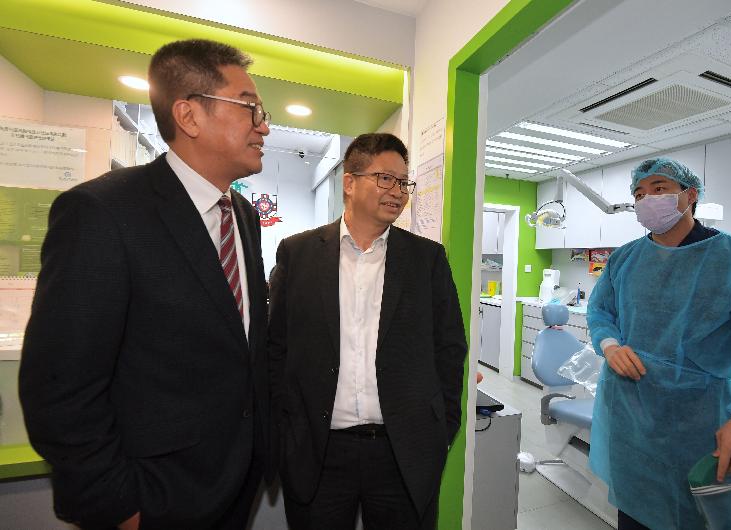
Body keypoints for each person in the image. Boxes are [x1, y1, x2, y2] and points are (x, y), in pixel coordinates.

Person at [19, 39, 275, 529]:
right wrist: (119, 506)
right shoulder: (103, 213)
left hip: (235, 482)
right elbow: (59, 386)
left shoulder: (241, 214)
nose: (263, 125)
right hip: (155, 496)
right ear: (189, 115)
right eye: (249, 107)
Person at [587, 157, 731, 530]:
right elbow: (600, 310)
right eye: (639, 193)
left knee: (703, 518)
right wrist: (610, 345)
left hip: (698, 424)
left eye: (659, 189)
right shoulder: (625, 258)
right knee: (635, 515)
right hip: (629, 421)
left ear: (690, 195)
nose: (646, 199)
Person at [267, 133, 467, 530]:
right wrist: (282, 433)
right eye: (385, 178)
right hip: (319, 453)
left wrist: (441, 427)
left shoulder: (426, 259)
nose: (398, 191)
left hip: (403, 453)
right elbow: (276, 349)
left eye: (404, 182)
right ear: (349, 181)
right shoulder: (298, 253)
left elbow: (449, 347)